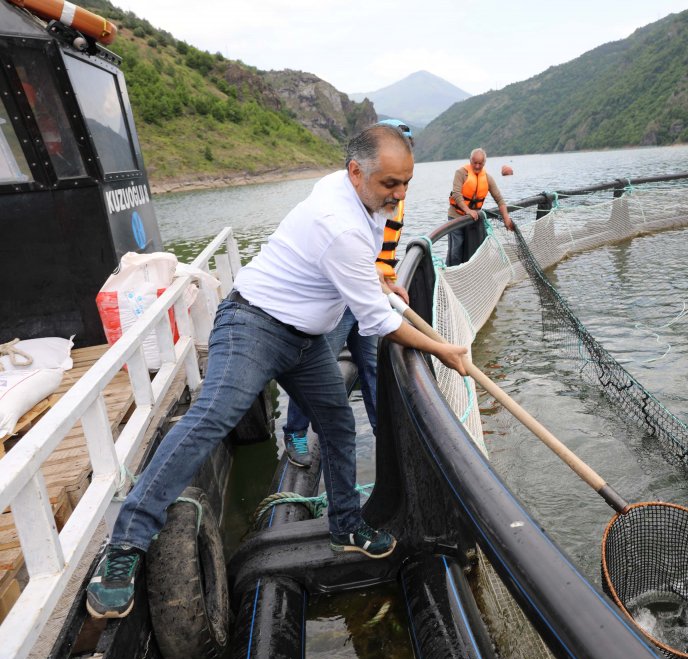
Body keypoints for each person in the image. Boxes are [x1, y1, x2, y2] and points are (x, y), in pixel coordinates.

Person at [85, 123, 468, 619]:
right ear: (356, 173)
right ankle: (124, 546)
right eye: (389, 185)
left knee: (336, 422)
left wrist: (374, 275)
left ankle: (346, 525)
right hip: (254, 323)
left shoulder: (350, 193)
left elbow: (355, 270)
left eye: (406, 183)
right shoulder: (340, 224)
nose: (399, 196)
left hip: (307, 340)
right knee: (212, 416)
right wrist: (443, 349)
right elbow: (378, 323)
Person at [281, 119, 413, 458]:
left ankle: (384, 435)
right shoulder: (336, 198)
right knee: (317, 365)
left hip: (368, 290)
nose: (398, 188)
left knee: (372, 365)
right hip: (338, 303)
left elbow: (366, 253)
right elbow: (346, 248)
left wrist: (385, 282)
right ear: (360, 170)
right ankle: (294, 431)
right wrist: (443, 351)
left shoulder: (389, 194)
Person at [446, 147, 514, 266]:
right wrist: (468, 210)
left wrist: (506, 218)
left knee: (475, 248)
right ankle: (451, 273)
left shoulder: (487, 178)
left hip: (473, 219)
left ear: (484, 163)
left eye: (480, 163)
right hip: (456, 216)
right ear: (470, 160)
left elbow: (500, 200)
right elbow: (456, 194)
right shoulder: (461, 173)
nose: (477, 166)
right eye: (474, 162)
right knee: (456, 249)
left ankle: (472, 273)